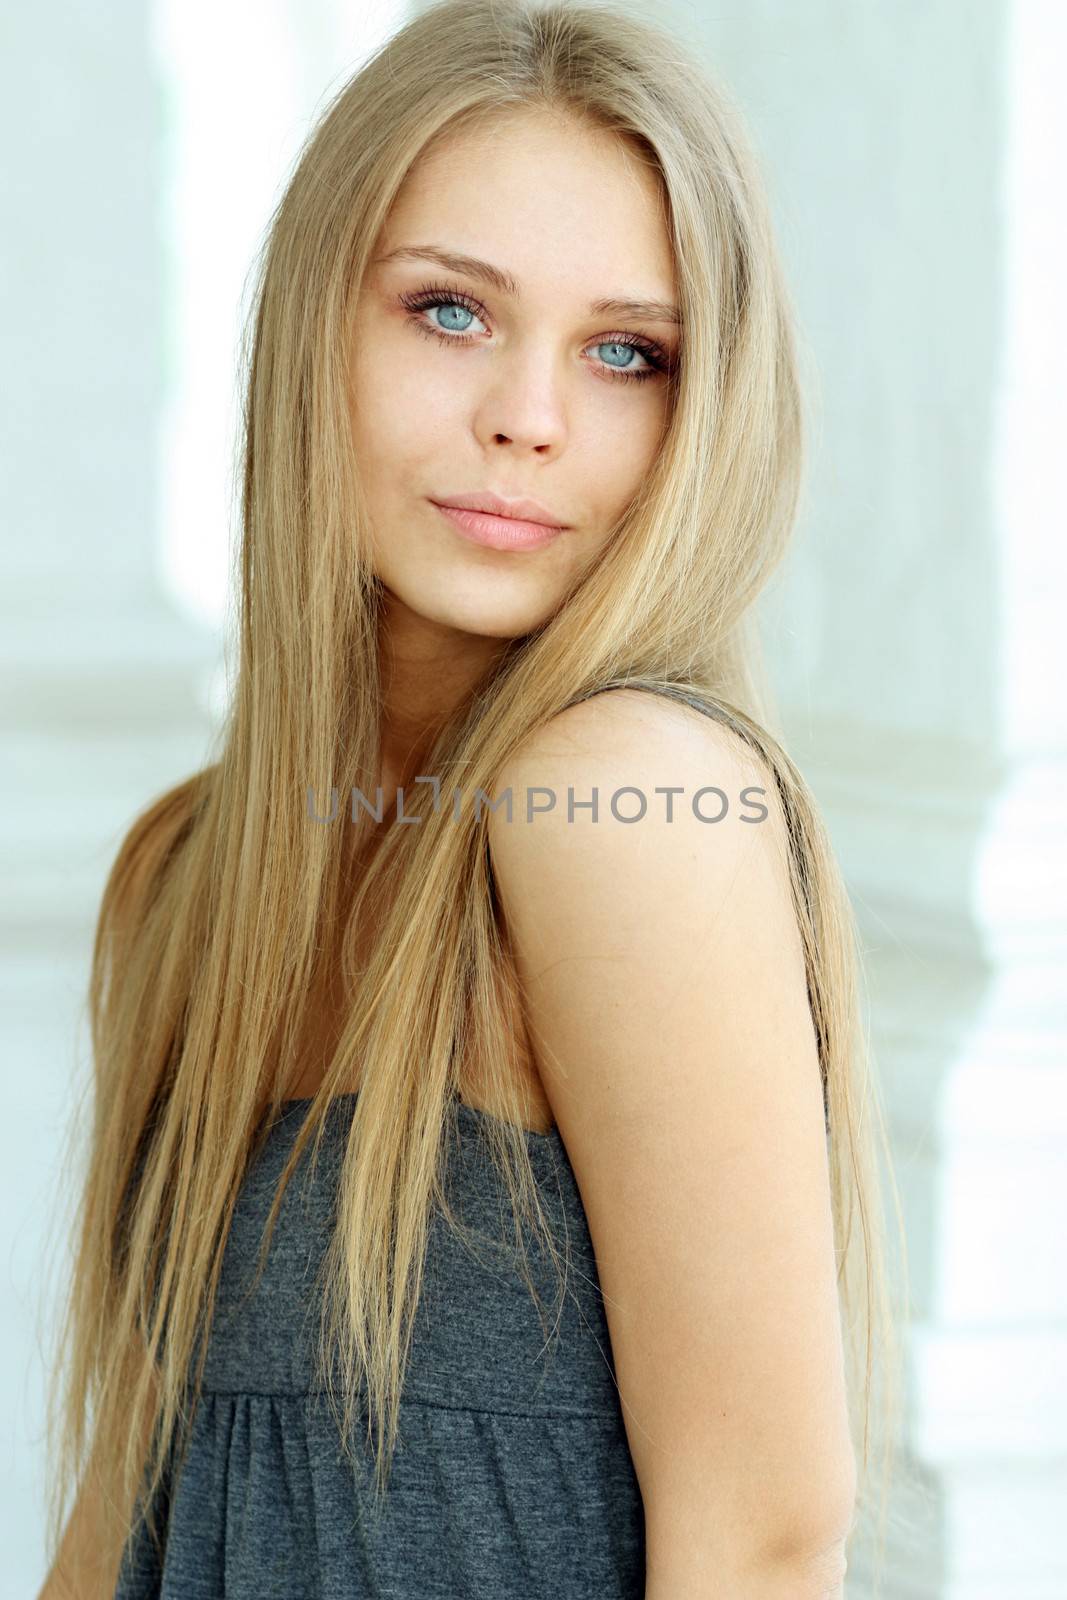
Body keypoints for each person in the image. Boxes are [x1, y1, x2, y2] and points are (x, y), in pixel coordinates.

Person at [38, 2, 905, 1596]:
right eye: (449, 311)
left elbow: (766, 1541)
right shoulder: (187, 870)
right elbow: (126, 1512)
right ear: (317, 324)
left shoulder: (623, 804)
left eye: (626, 351)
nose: (529, 417)